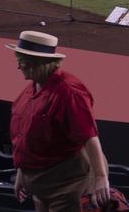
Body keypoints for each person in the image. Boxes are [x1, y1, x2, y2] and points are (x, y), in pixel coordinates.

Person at [8, 31, 111, 212]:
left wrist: (101, 178)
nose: (18, 66)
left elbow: (89, 137)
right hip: (40, 187)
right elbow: (26, 136)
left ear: (38, 62)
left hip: (66, 186)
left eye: (22, 61)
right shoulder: (32, 88)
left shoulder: (69, 91)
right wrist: (21, 173)